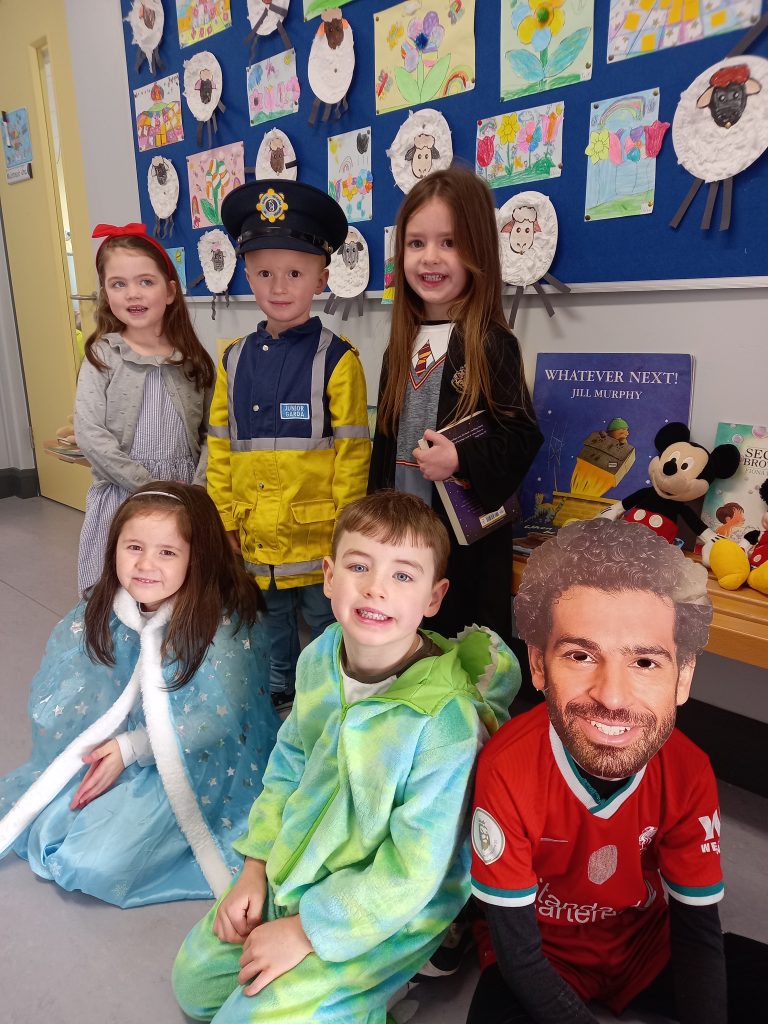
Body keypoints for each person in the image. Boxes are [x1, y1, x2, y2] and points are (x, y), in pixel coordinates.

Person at [172, 490, 521, 1024]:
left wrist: (307, 931)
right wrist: (255, 867)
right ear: (329, 577)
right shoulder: (320, 655)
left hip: (383, 909)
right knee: (194, 987)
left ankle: (380, 989)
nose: (376, 587)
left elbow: (415, 872)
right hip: (298, 867)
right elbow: (289, 762)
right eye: (359, 566)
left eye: (403, 575)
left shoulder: (443, 722)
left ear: (434, 597)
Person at [467, 517, 767, 1024]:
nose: (611, 696)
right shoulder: (506, 767)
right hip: (543, 951)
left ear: (683, 676)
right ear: (538, 665)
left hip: (647, 945)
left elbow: (697, 933)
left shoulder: (689, 770)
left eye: (645, 662)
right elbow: (519, 955)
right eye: (581, 655)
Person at [0, 482, 280, 908]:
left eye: (167, 552)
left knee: (88, 863)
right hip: (124, 745)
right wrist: (101, 742)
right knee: (46, 812)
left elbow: (218, 720)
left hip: (196, 762)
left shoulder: (223, 624)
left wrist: (131, 748)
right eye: (133, 547)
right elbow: (73, 679)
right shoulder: (112, 606)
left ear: (199, 557)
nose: (145, 565)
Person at [211, 179, 371, 707]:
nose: (279, 287)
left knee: (326, 622)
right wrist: (224, 518)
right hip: (254, 533)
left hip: (320, 535)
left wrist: (348, 530)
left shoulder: (339, 360)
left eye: (295, 274)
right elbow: (219, 447)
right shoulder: (232, 360)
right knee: (270, 623)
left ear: (322, 278)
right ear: (246, 274)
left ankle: (326, 695)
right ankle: (279, 693)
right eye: (265, 273)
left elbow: (353, 454)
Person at [368, 166, 543, 644]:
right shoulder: (399, 345)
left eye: (449, 242)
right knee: (402, 646)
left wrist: (460, 459)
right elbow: (384, 443)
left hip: (463, 553)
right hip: (401, 539)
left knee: (459, 655)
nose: (430, 257)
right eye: (416, 243)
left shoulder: (491, 343)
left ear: (477, 250)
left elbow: (522, 437)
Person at [75, 223, 215, 594]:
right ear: (105, 294)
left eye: (145, 282)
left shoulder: (193, 361)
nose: (132, 293)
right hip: (123, 492)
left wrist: (197, 489)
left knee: (178, 586)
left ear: (169, 291)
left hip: (183, 493)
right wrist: (147, 486)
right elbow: (90, 433)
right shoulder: (102, 357)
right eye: (118, 284)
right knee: (120, 586)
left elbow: (214, 433)